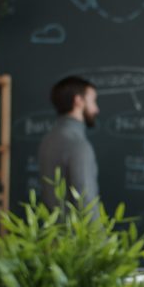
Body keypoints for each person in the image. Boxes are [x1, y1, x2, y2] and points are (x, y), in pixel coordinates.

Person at [38, 76, 100, 210]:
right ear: (79, 101)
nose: (96, 109)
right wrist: (98, 231)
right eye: (93, 101)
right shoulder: (78, 145)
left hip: (51, 229)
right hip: (76, 231)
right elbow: (86, 201)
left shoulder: (47, 140)